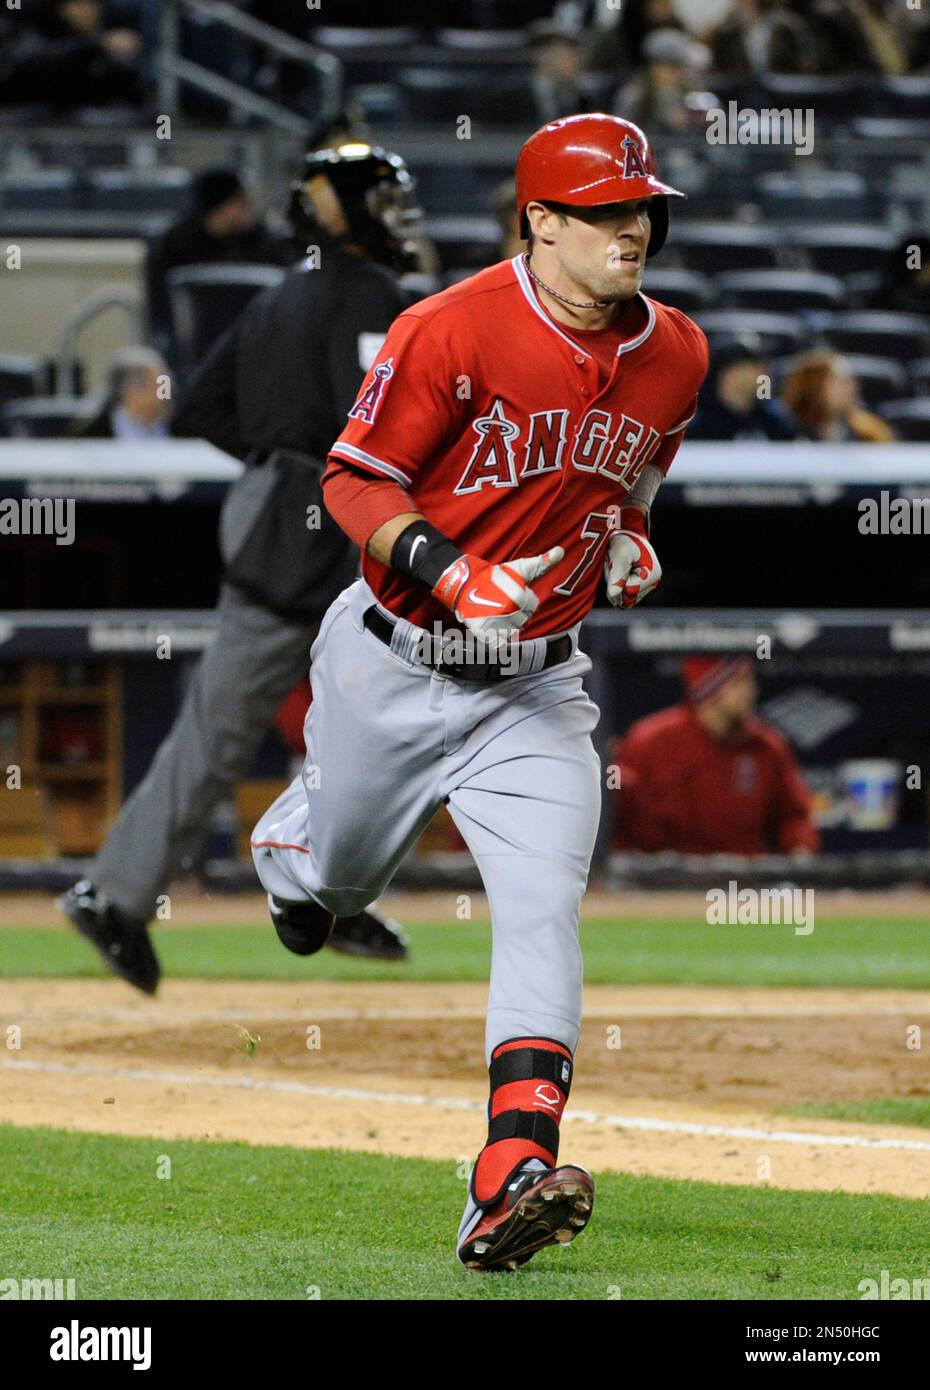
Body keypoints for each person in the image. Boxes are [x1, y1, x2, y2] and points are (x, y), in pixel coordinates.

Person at [249, 114, 708, 1271]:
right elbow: (355, 481)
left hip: (538, 689)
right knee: (334, 894)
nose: (632, 229)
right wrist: (454, 568)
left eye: (641, 209)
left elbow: (643, 463)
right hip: (395, 657)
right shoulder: (448, 326)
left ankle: (509, 1170)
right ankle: (296, 850)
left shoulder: (679, 351)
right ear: (540, 221)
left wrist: (633, 534)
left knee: (544, 907)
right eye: (605, 212)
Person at [59, 143, 423, 993]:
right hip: (344, 529)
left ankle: (116, 895)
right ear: (350, 213)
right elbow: (376, 432)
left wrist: (273, 459)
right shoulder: (376, 296)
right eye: (386, 200)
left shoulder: (279, 294)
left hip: (265, 519)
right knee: (395, 723)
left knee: (216, 734)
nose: (401, 217)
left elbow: (199, 406)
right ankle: (325, 896)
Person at [611, 657, 820, 856]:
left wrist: (800, 852)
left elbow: (794, 817)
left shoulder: (766, 746)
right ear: (712, 687)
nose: (751, 690)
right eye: (739, 682)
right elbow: (620, 819)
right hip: (662, 884)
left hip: (742, 884)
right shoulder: (649, 741)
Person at [145, 167, 291, 370]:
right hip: (193, 355)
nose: (249, 208)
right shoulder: (173, 246)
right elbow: (160, 313)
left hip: (257, 350)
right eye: (240, 202)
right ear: (219, 206)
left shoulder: (264, 243)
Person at [0, 0, 145, 111]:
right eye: (79, 5)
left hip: (88, 132)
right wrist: (98, 44)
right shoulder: (39, 31)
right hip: (29, 125)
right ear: (62, 9)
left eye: (93, 5)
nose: (88, 12)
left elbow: (134, 94)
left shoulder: (105, 48)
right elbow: (32, 63)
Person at [689, 338, 798, 441]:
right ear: (730, 375)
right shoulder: (699, 425)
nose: (764, 373)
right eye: (753, 368)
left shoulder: (773, 421)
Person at [782, 349, 894, 442]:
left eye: (850, 381)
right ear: (814, 386)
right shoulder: (785, 431)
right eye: (840, 381)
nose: (850, 388)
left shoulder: (869, 433)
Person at [73, 347, 170, 440]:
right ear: (131, 391)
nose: (167, 391)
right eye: (161, 385)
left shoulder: (178, 427)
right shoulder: (92, 435)